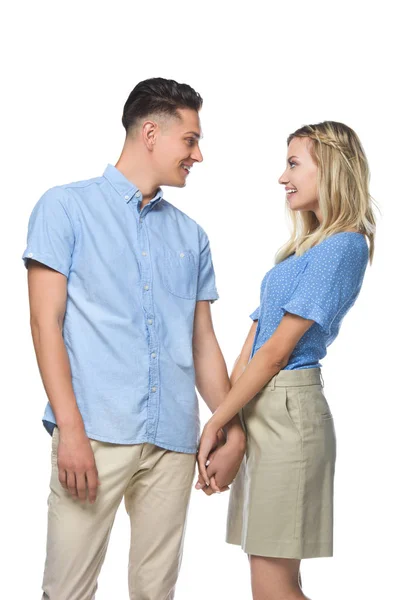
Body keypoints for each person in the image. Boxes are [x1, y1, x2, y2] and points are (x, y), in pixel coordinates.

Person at [22, 77, 245, 600]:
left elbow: (203, 344)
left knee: (155, 593)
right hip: (94, 433)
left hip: (171, 440)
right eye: (190, 140)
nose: (198, 155)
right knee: (68, 590)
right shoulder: (64, 208)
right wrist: (70, 431)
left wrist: (228, 423)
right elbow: (43, 324)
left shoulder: (192, 236)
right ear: (151, 133)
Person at [197, 121, 376, 600]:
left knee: (273, 583)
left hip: (288, 412)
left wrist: (218, 419)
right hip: (260, 407)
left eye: (294, 164)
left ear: (332, 170)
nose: (283, 177)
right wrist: (229, 422)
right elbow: (253, 342)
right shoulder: (300, 252)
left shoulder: (345, 246)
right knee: (267, 576)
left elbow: (276, 353)